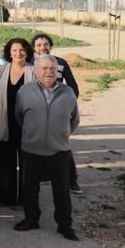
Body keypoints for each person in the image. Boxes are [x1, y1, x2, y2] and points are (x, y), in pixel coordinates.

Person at [14, 55, 82, 240]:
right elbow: (19, 116)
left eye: (52, 69)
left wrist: (60, 134)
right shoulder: (24, 91)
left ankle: (65, 225)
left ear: (57, 71)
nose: (48, 72)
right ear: (36, 71)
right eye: (44, 68)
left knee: (61, 190)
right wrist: (32, 133)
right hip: (31, 148)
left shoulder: (68, 93)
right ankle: (31, 219)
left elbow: (74, 120)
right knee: (29, 188)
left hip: (59, 149)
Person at [32, 33, 82, 193]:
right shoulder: (29, 64)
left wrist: (67, 104)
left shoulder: (61, 63)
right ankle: (39, 178)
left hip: (57, 112)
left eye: (45, 44)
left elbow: (73, 86)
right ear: (34, 47)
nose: (42, 47)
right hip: (36, 112)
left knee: (62, 146)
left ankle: (71, 179)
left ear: (51, 46)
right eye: (39, 45)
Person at [0, 38, 35, 208]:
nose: (18, 53)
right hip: (4, 120)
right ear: (9, 52)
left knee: (26, 161)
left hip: (27, 123)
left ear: (27, 52)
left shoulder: (34, 71)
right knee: (4, 160)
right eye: (15, 50)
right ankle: (4, 198)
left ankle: (24, 199)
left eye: (22, 49)